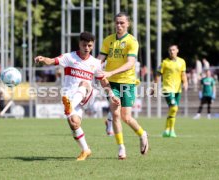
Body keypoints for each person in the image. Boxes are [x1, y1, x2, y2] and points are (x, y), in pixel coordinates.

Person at [34, 31, 120, 161]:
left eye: (90, 46)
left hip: (87, 94)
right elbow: (52, 60)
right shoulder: (70, 57)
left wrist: (112, 95)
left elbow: (103, 80)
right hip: (70, 96)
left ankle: (70, 106)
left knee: (84, 83)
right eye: (84, 45)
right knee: (74, 124)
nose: (87, 48)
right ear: (79, 43)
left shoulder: (96, 63)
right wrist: (43, 59)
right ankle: (86, 150)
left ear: (93, 45)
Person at [97, 12, 149, 159]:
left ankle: (142, 133)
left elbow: (130, 63)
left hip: (127, 81)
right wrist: (92, 67)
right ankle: (121, 148)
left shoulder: (132, 41)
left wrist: (110, 71)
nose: (119, 25)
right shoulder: (108, 40)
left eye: (122, 23)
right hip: (111, 82)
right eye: (117, 23)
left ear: (128, 24)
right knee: (115, 114)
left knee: (126, 117)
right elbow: (99, 59)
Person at [155, 45, 188, 137]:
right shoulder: (164, 62)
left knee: (173, 110)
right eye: (170, 50)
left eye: (173, 50)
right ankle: (171, 130)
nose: (171, 52)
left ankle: (167, 130)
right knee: (174, 107)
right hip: (167, 89)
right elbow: (157, 75)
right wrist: (154, 87)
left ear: (177, 50)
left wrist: (185, 83)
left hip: (178, 89)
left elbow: (183, 74)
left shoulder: (182, 61)